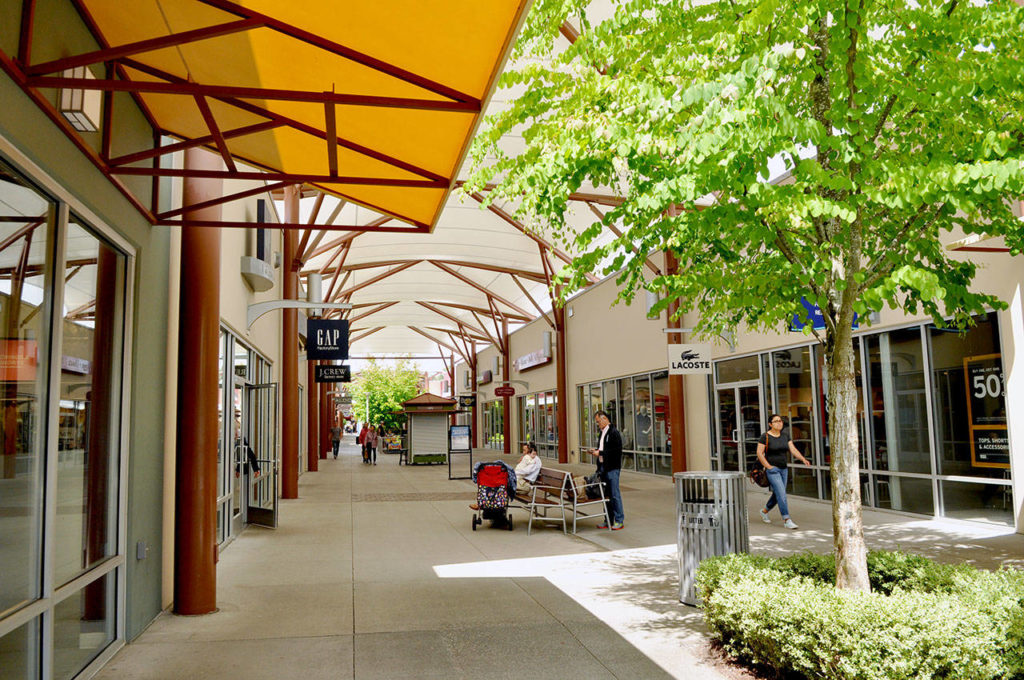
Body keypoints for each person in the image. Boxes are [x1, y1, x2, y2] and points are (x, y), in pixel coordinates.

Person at [756, 413, 811, 529]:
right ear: (770, 424)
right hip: (773, 470)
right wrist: (768, 466)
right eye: (776, 421)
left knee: (778, 494)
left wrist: (803, 459)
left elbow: (793, 449)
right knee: (782, 494)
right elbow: (759, 453)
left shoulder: (785, 436)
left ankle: (764, 511)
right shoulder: (765, 436)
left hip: (783, 469)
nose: (779, 423)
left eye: (780, 421)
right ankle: (787, 519)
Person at [588, 410, 624, 530]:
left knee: (614, 494)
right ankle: (608, 518)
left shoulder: (613, 433)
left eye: (599, 422)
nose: (598, 424)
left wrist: (600, 452)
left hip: (612, 467)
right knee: (606, 494)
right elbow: (603, 448)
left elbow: (616, 451)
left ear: (605, 419)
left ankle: (619, 520)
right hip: (603, 467)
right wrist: (596, 450)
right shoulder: (602, 433)